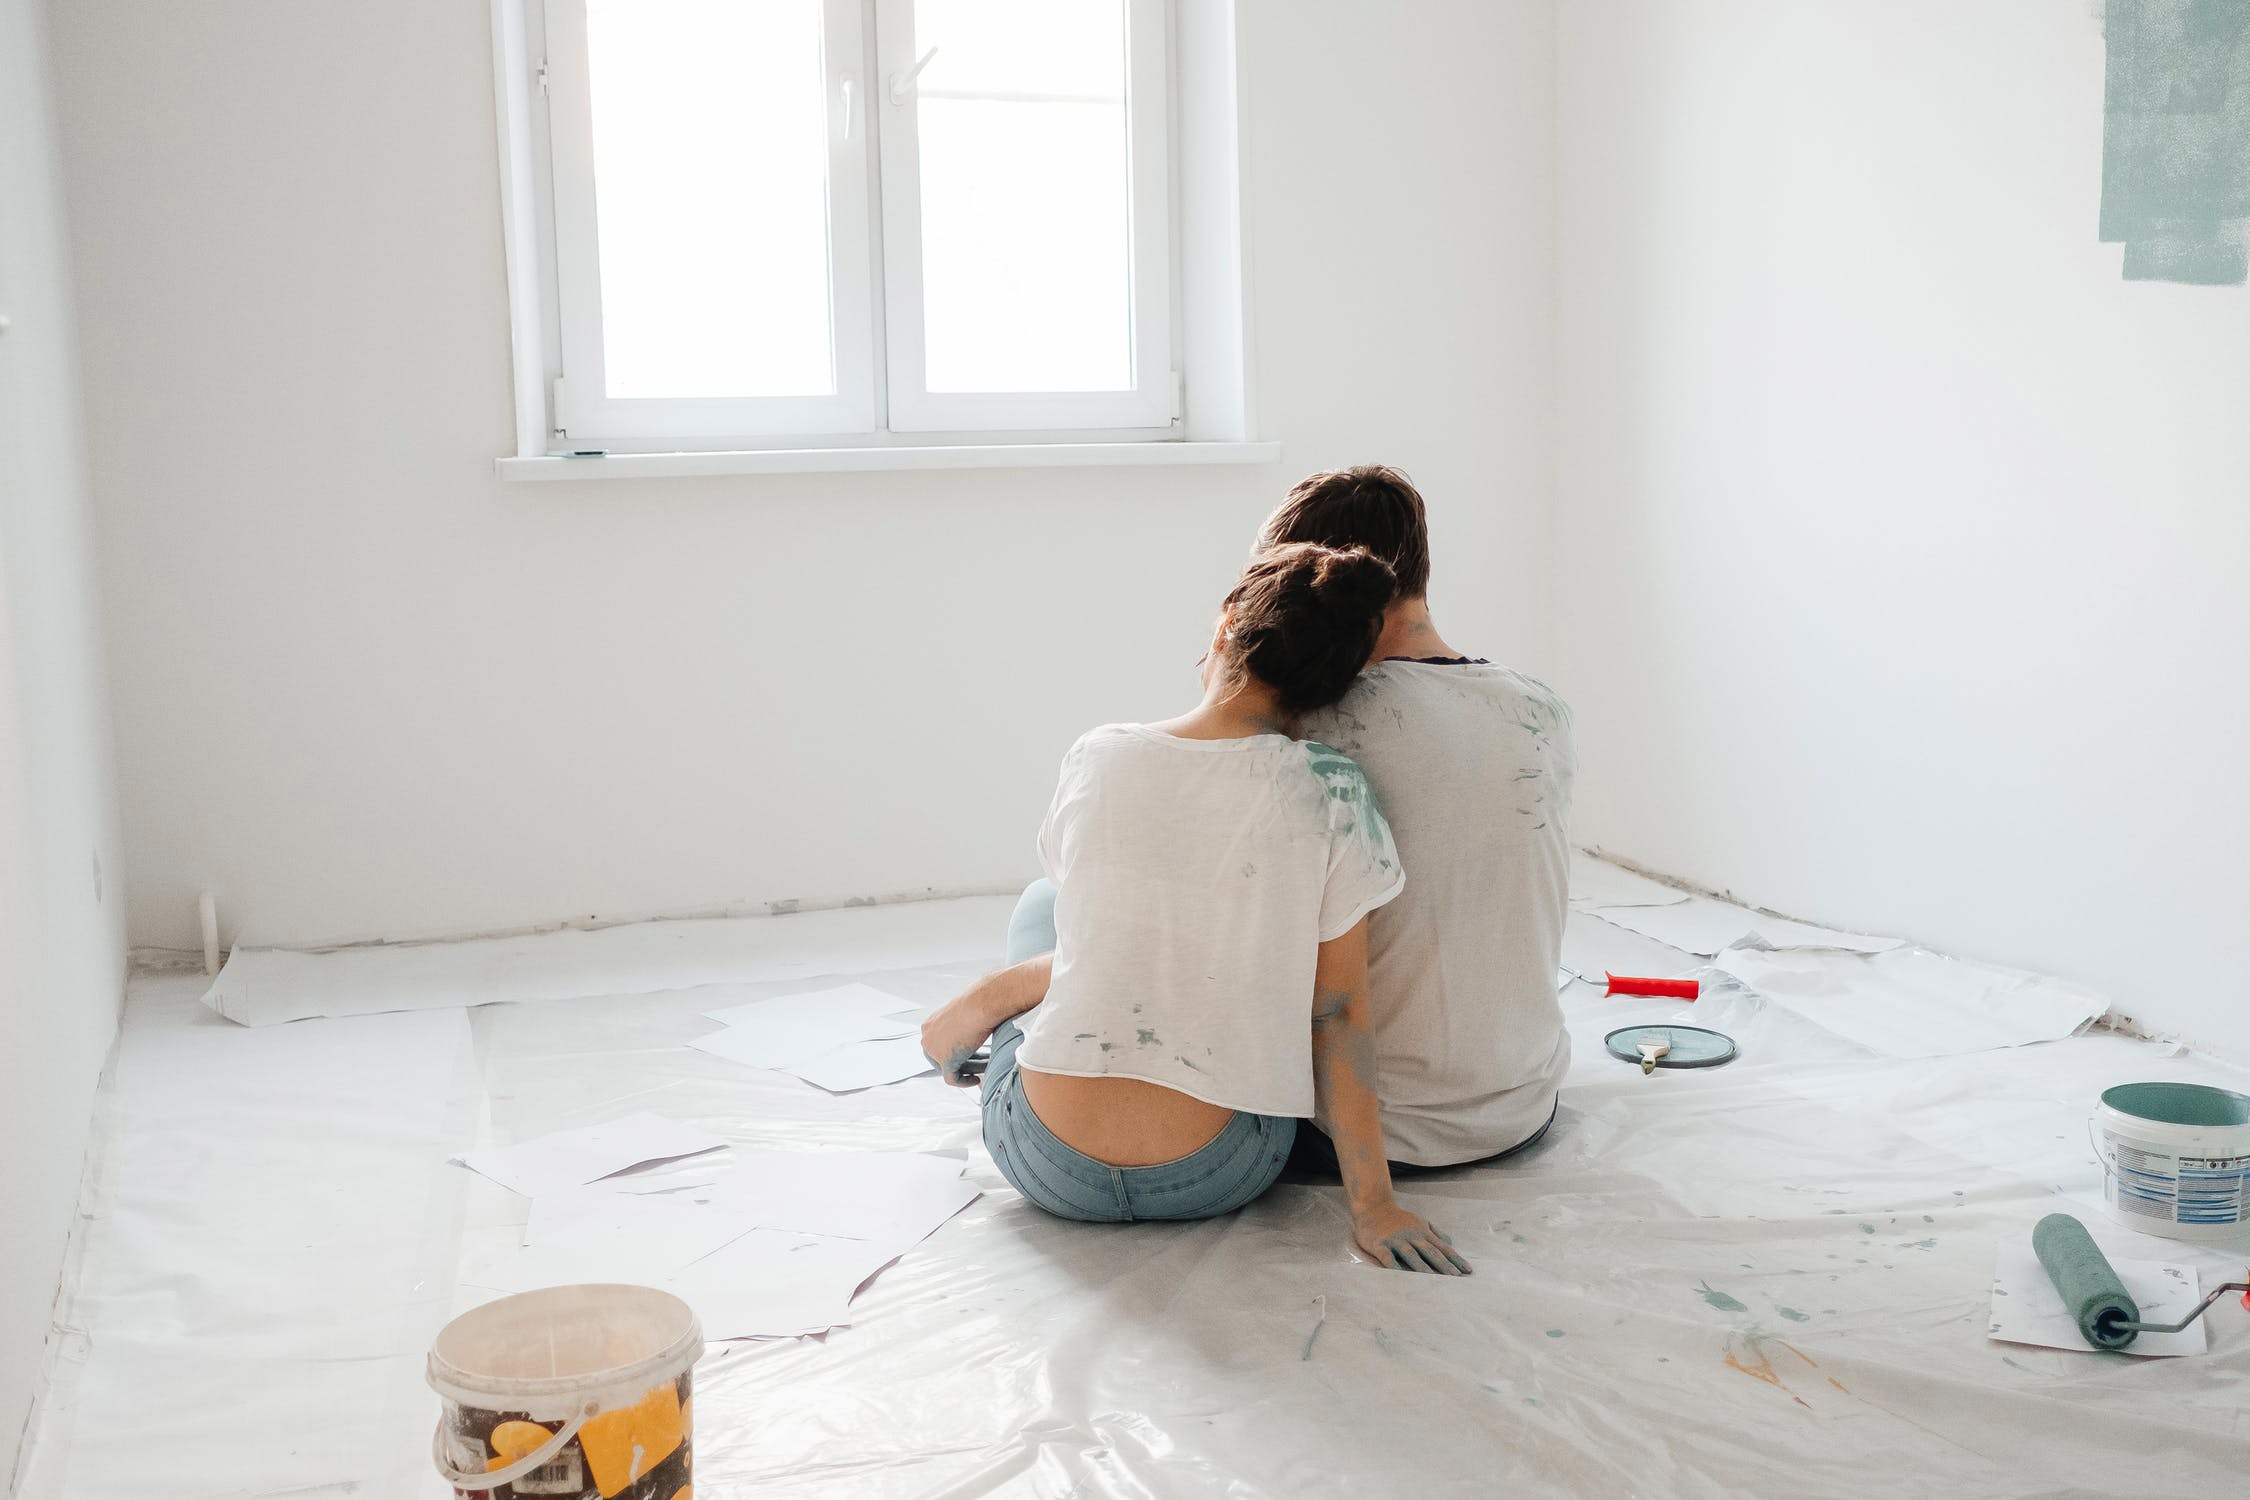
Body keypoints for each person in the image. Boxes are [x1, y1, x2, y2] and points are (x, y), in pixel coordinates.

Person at [918, 542, 1471, 1274]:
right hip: (1218, 1171)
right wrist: (1373, 1205)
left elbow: (1105, 934)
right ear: (1337, 685)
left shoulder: (1100, 753)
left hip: (1044, 1161)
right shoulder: (1333, 789)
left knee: (1045, 905)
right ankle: (993, 1001)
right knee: (1100, 916)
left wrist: (996, 994)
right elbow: (1337, 1012)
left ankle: (985, 1003)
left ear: (1226, 625)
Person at [1257, 465, 1575, 1173]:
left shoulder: (1316, 725)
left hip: (1367, 1134)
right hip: (1525, 1106)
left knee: (1046, 910)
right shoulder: (1542, 708)